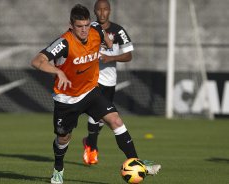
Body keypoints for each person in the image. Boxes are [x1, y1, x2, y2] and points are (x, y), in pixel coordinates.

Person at [31, 4, 161, 184]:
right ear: (71, 25)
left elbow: (105, 38)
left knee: (116, 121)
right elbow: (37, 61)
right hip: (67, 99)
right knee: (63, 137)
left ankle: (138, 164)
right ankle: (58, 169)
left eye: (86, 25)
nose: (84, 30)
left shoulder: (95, 30)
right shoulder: (64, 42)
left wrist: (107, 42)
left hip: (91, 92)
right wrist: (58, 72)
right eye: (79, 26)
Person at [83, 0, 134, 165]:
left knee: (103, 118)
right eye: (99, 10)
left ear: (109, 11)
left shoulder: (118, 31)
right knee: (97, 114)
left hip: (110, 82)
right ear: (95, 11)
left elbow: (128, 55)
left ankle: (89, 143)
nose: (102, 13)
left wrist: (111, 57)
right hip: (92, 80)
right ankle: (92, 150)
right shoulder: (88, 29)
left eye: (105, 9)